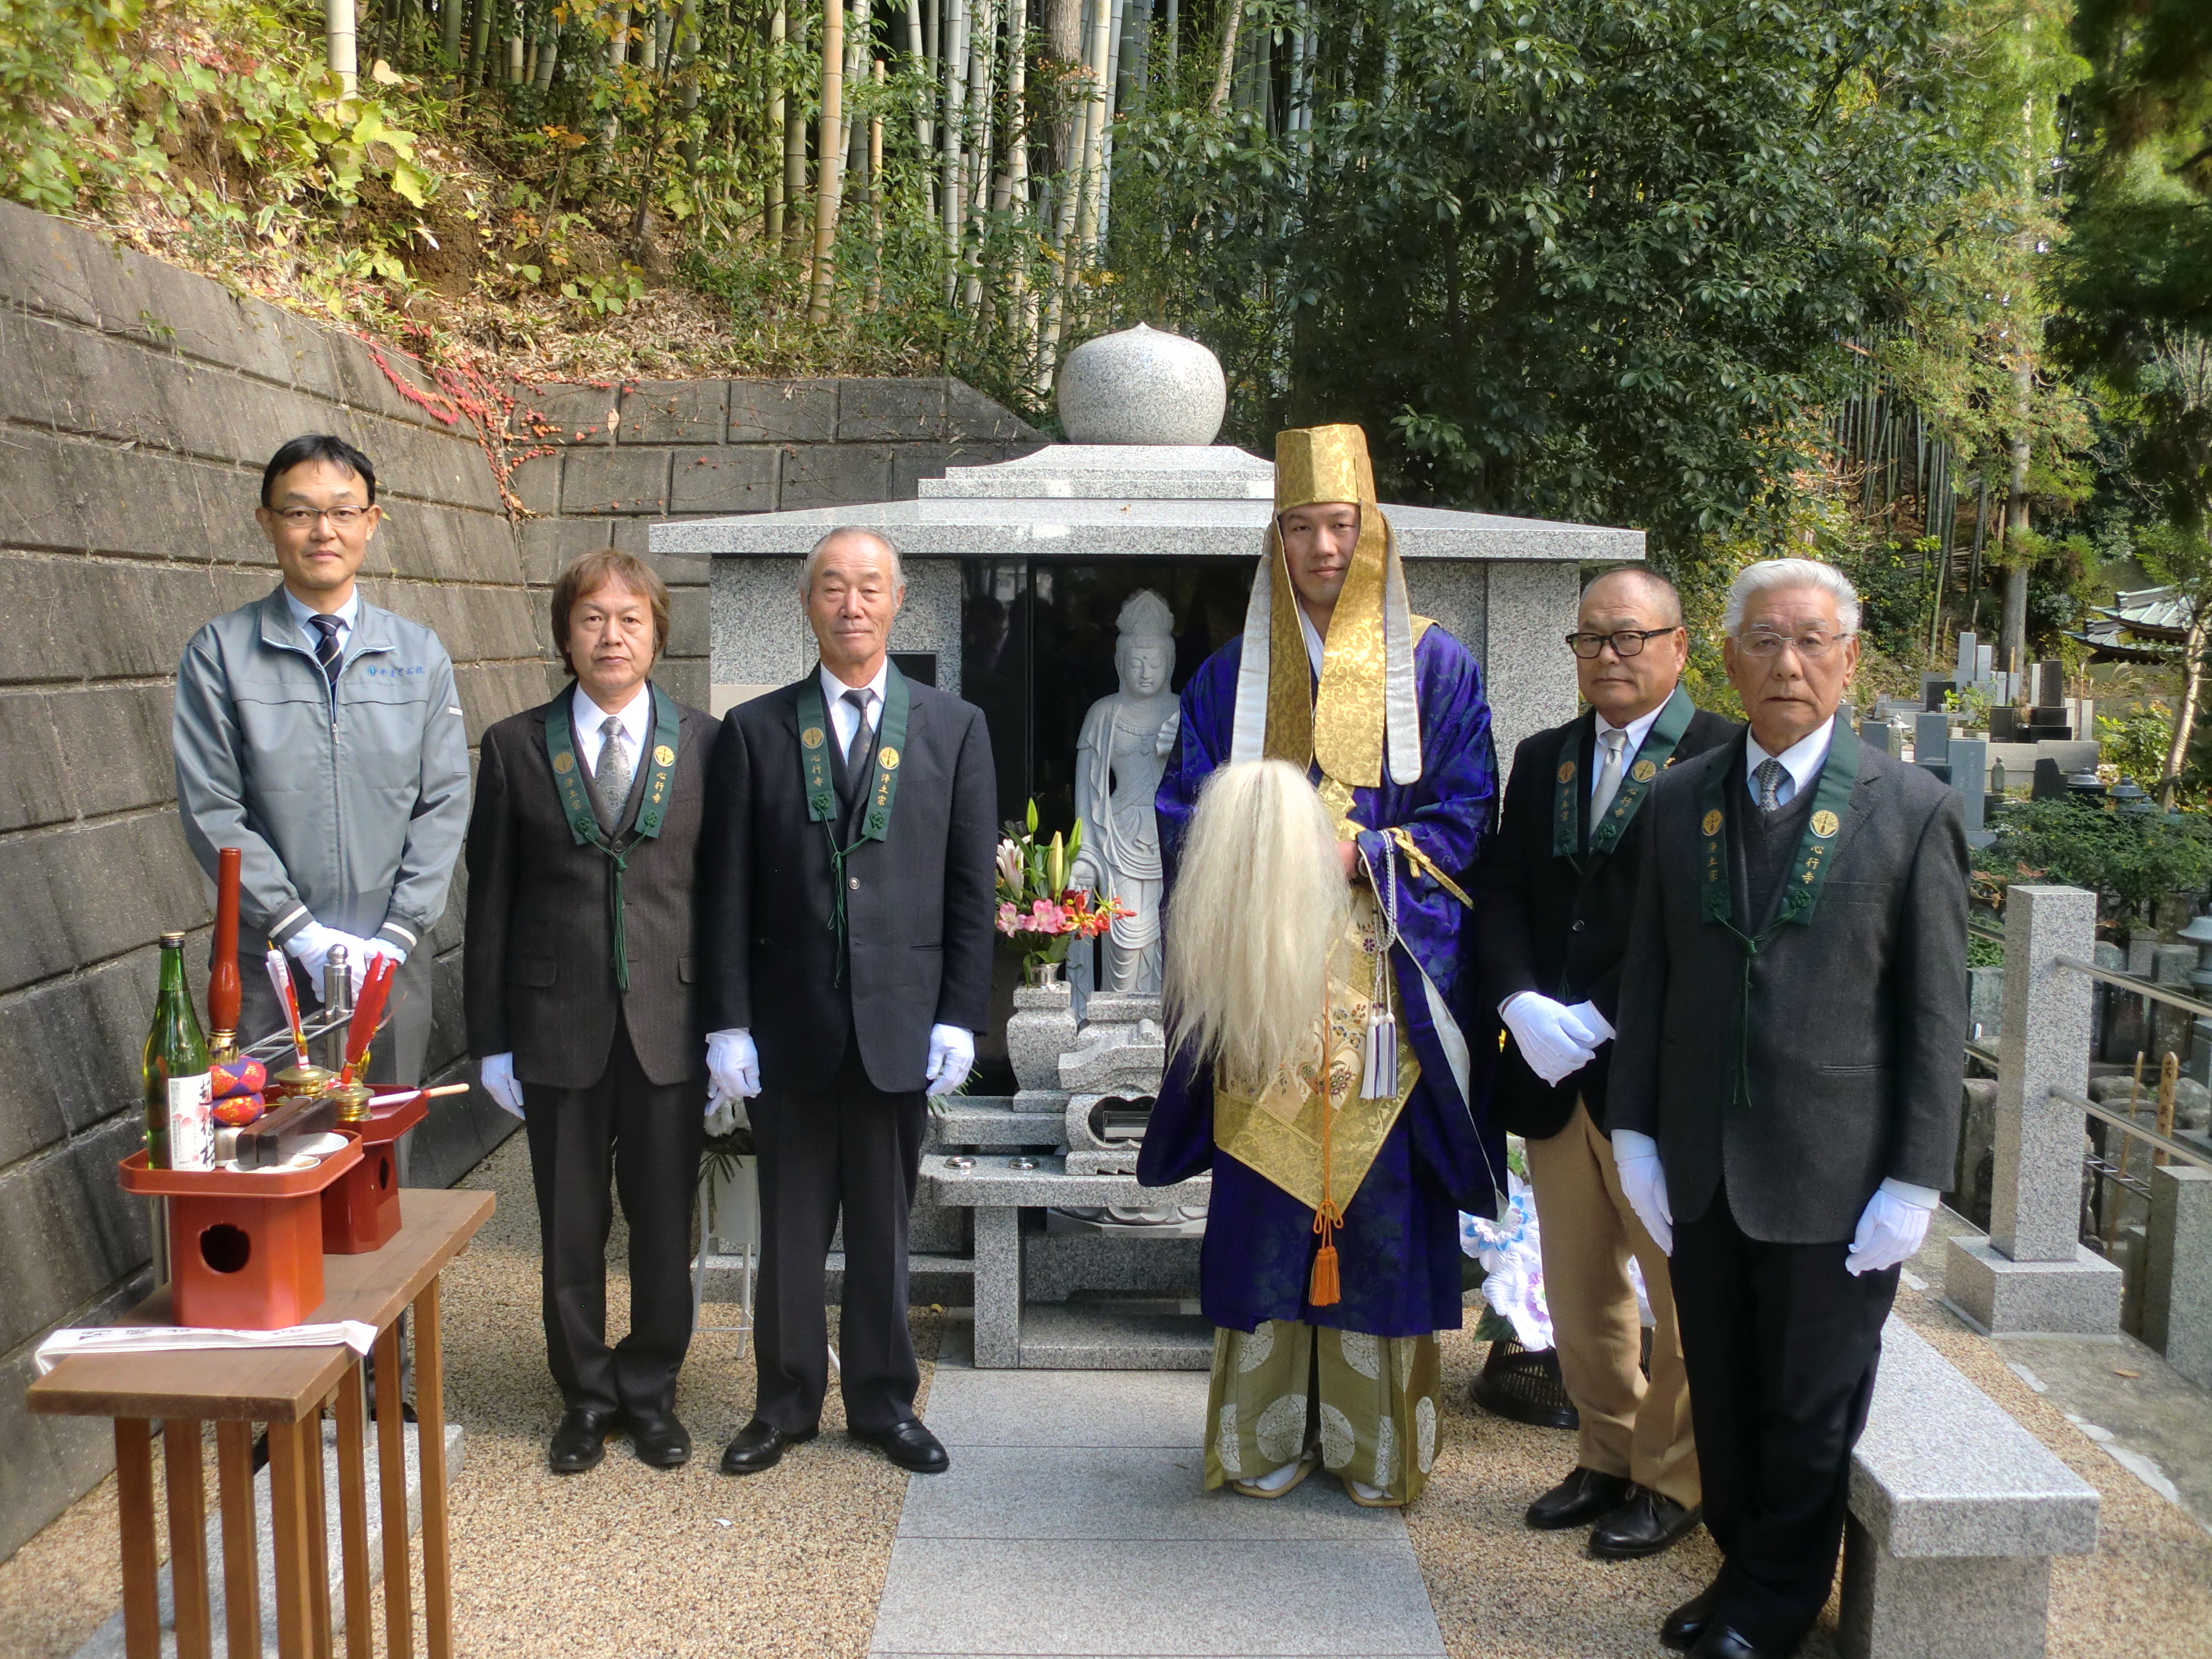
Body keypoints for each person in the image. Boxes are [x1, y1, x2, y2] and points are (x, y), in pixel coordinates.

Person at [1138, 422, 1502, 1509]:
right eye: (1298, 527)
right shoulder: (1227, 679)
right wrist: (1261, 847)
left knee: (1381, 1210)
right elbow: (1180, 810)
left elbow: (1467, 814)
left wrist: (1362, 853)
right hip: (1265, 987)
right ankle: (1259, 1439)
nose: (1320, 547)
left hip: (1380, 991)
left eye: (1339, 525)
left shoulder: (1434, 666)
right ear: (1275, 542)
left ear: (1371, 532)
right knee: (1262, 1207)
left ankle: (1372, 1446)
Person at [1610, 558, 1966, 1659]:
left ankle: (1770, 1603)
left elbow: (1934, 1015)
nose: (1788, 663)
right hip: (1701, 1165)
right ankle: (1741, 1567)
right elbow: (1648, 977)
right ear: (1724, 656)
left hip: (1835, 1172)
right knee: (1719, 1390)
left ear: (1848, 659)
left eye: (1812, 641)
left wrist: (1914, 1179)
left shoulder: (1909, 812)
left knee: (1808, 1408)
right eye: (1763, 639)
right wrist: (1632, 1132)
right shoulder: (1679, 799)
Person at [700, 528, 997, 1478]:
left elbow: (968, 892)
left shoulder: (952, 728)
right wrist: (729, 1023)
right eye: (833, 587)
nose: (852, 604)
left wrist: (960, 1014)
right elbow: (728, 892)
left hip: (900, 1025)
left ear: (898, 599)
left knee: (882, 1225)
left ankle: (882, 1402)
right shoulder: (754, 730)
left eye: (869, 587)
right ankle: (783, 1403)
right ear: (808, 602)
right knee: (789, 1228)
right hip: (790, 1027)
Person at [1469, 567, 1736, 1558]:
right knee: (1581, 1293)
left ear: (1677, 645)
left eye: (1630, 637)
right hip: (1550, 1075)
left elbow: (1715, 924)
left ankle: (1674, 1480)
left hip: (1658, 1082)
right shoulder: (1546, 760)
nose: (1610, 656)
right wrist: (1518, 999)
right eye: (1591, 640)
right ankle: (1607, 1453)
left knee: (1681, 1296)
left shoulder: (1721, 757)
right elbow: (1499, 889)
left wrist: (1607, 1014)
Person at [463, 551, 719, 1474]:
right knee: (569, 1224)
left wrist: (731, 1025)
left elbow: (721, 896)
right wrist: (489, 1040)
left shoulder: (703, 744)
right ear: (564, 634)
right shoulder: (514, 747)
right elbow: (486, 903)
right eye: (591, 620)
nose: (611, 636)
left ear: (657, 633)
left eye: (630, 619)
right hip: (554, 1025)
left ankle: (650, 1391)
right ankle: (583, 1392)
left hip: (671, 1022)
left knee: (661, 1222)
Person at [174, 433, 469, 1085]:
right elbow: (213, 808)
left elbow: (444, 803)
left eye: (342, 511)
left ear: (371, 522)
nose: (322, 531)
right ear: (268, 523)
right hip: (267, 959)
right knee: (275, 1150)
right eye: (299, 511)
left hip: (389, 959)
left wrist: (397, 934)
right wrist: (299, 931)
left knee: (381, 1152)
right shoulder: (221, 653)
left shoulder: (419, 653)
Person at [1070, 588, 1181, 996]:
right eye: (1136, 663)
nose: (1146, 672)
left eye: (1154, 662)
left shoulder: (1182, 710)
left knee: (1172, 937)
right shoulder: (1104, 713)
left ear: (1169, 663)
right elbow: (1086, 788)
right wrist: (1083, 850)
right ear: (1120, 664)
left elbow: (1208, 783)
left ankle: (1164, 1024)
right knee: (1123, 940)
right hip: (1115, 836)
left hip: (1169, 835)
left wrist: (1182, 750)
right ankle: (1117, 1019)